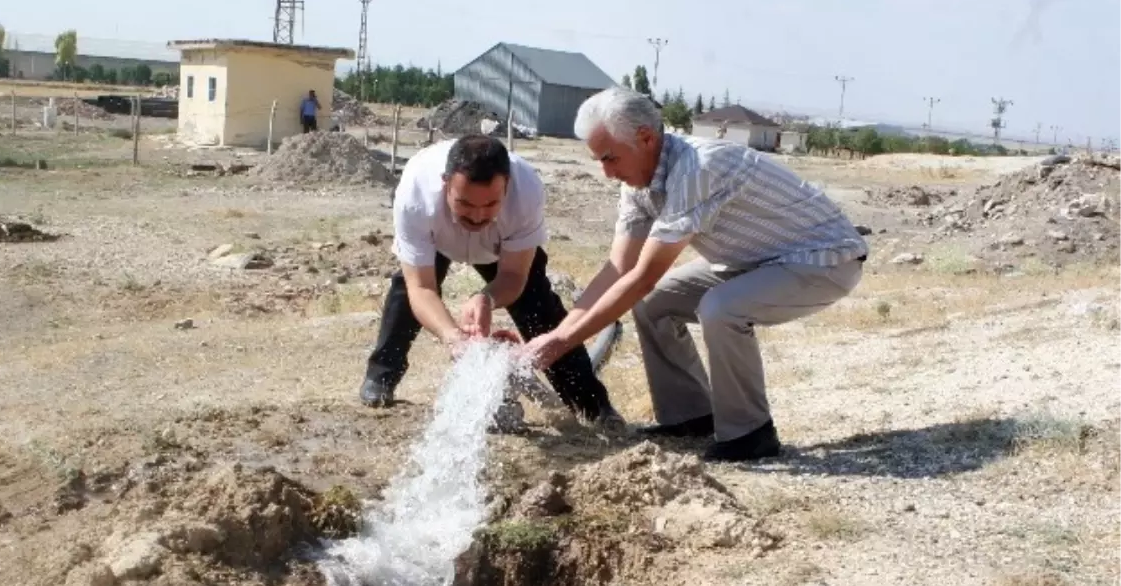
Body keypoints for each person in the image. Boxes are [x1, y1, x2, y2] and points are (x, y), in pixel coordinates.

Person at [521, 88, 869, 462]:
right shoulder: (637, 182)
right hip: (752, 261)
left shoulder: (700, 167)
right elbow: (619, 268)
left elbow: (642, 277)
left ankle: (750, 434)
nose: (606, 173)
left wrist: (562, 343)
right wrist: (558, 334)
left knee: (721, 307)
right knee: (654, 304)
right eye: (599, 161)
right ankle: (691, 415)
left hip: (824, 260)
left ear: (646, 138)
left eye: (609, 158)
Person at [358, 133, 619, 424]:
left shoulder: (527, 191)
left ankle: (593, 406)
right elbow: (421, 287)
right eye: (465, 204)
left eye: (491, 204)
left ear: (507, 186)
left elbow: (514, 275)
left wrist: (487, 297)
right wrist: (453, 337)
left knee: (540, 310)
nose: (478, 216)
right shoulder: (415, 194)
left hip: (501, 250)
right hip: (438, 239)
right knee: (404, 295)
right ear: (446, 184)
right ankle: (381, 376)